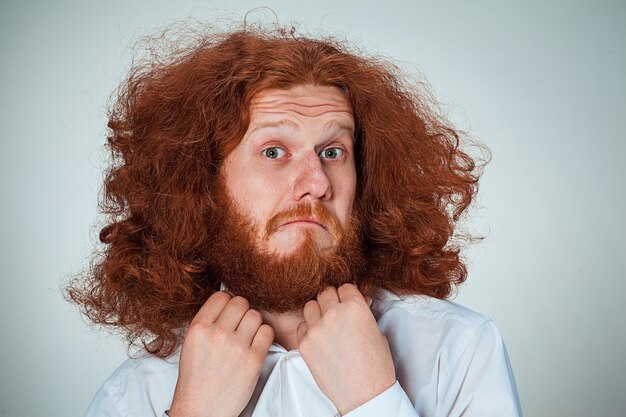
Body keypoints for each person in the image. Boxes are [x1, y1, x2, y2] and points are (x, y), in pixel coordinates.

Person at [67, 23, 523, 417]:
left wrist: (373, 400)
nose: (317, 183)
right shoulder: (137, 392)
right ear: (203, 185)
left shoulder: (457, 349)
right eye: (273, 152)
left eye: (332, 152)